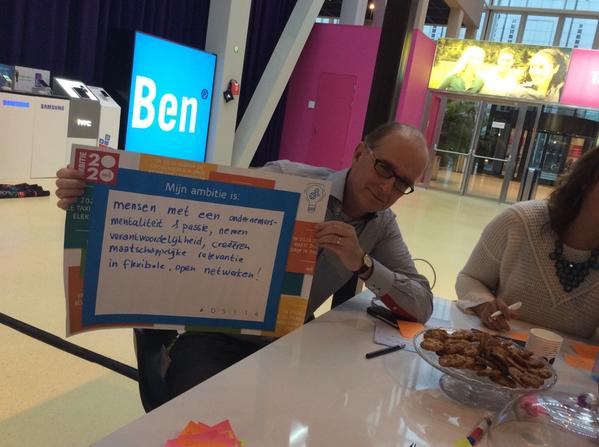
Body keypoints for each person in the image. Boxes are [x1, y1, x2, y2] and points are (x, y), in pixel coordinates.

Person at [56, 122, 434, 397]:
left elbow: (421, 304)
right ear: (359, 153)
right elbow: (183, 209)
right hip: (215, 335)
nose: (388, 187)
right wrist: (89, 193)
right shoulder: (286, 180)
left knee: (333, 410)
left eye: (403, 183)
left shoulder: (381, 225)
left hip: (292, 341)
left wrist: (363, 263)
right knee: (211, 423)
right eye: (385, 168)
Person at [456, 148, 599, 338]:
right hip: (498, 348)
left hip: (573, 357)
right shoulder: (519, 222)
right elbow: (469, 278)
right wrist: (483, 303)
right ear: (586, 181)